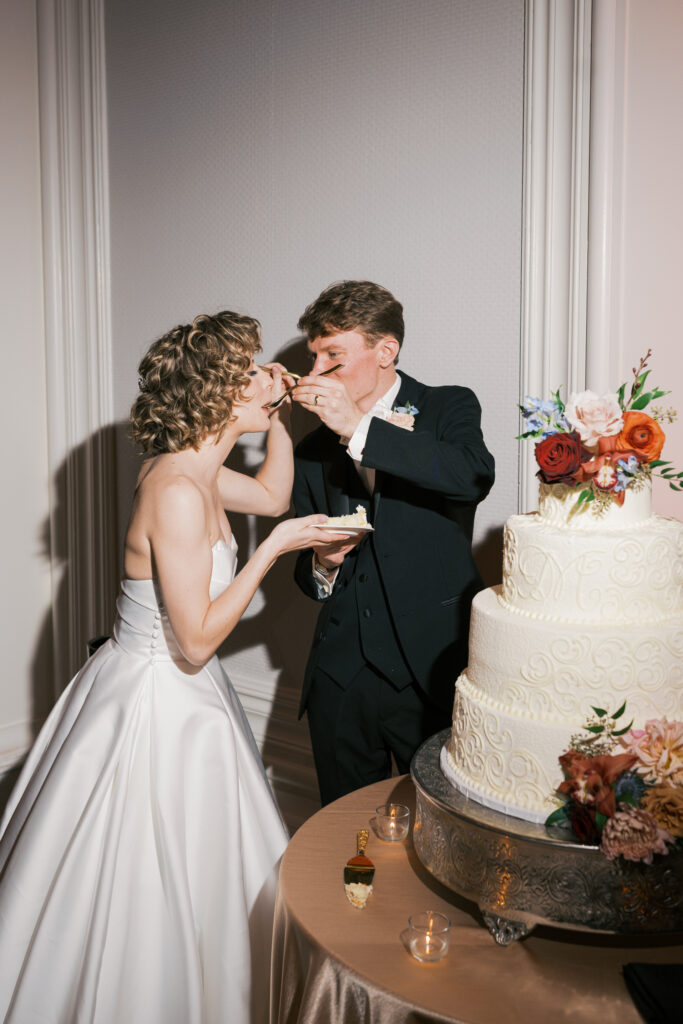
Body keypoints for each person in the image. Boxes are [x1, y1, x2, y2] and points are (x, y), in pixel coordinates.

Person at [0, 311, 346, 1023]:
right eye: (251, 371)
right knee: (141, 878)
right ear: (217, 393)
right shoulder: (181, 493)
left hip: (172, 689)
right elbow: (194, 643)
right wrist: (271, 550)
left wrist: (279, 419)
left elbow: (273, 495)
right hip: (157, 698)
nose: (266, 378)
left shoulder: (194, 470)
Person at [290, 281, 495, 805]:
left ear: (386, 351)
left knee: (440, 833)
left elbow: (472, 476)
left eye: (333, 355)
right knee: (344, 833)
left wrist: (360, 427)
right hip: (340, 678)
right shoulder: (311, 449)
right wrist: (323, 564)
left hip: (431, 669)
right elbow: (306, 580)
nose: (316, 373)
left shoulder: (448, 407)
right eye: (314, 358)